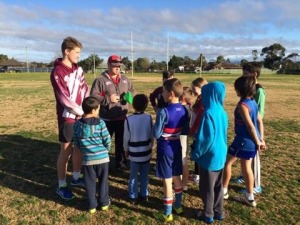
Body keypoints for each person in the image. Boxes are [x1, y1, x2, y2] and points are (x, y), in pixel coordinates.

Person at [50, 37, 89, 200]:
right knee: (65, 152)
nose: (79, 56)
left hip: (81, 115)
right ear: (67, 51)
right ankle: (61, 185)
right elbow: (64, 98)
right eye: (77, 52)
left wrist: (87, 108)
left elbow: (85, 89)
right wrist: (80, 111)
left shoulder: (78, 70)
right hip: (68, 118)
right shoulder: (57, 72)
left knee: (79, 147)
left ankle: (76, 176)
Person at [223, 76, 266, 207]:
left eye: (235, 87)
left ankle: (223, 191)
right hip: (252, 141)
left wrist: (259, 141)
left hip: (243, 141)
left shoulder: (243, 105)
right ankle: (250, 197)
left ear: (240, 89)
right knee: (247, 168)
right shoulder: (253, 101)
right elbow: (259, 121)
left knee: (227, 163)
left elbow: (250, 126)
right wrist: (261, 139)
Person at [191, 81, 228, 224]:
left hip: (209, 156)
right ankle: (219, 211)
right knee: (218, 185)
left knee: (207, 187)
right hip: (221, 154)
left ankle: (208, 214)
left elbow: (205, 138)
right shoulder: (222, 112)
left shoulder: (208, 113)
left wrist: (196, 153)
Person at [153, 78, 189, 222]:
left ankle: (167, 213)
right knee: (176, 177)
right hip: (177, 146)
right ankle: (178, 206)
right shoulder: (185, 110)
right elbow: (185, 130)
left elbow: (156, 134)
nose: (161, 93)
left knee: (167, 181)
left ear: (171, 93)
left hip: (165, 147)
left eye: (163, 91)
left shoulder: (163, 111)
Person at [90, 55, 134, 171]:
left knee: (121, 143)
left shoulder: (125, 79)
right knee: (104, 143)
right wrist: (108, 99)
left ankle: (121, 164)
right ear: (108, 65)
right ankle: (101, 164)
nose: (117, 68)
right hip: (107, 119)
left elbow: (131, 90)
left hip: (122, 117)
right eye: (115, 66)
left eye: (119, 66)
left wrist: (128, 97)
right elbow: (93, 96)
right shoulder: (100, 80)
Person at [73, 96, 111, 214]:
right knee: (103, 181)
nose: (99, 111)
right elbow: (107, 139)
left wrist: (83, 149)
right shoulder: (101, 123)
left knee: (89, 183)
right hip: (103, 159)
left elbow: (76, 141)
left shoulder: (78, 124)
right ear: (94, 110)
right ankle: (104, 203)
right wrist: (106, 149)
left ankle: (91, 206)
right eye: (98, 109)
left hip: (88, 160)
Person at [232, 62, 265, 194]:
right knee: (246, 161)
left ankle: (256, 185)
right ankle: (244, 177)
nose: (243, 77)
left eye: (245, 74)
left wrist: (259, 138)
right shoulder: (248, 92)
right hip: (247, 130)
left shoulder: (259, 91)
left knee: (253, 159)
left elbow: (258, 115)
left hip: (252, 131)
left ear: (254, 75)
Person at [123, 94, 153, 204]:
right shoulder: (149, 117)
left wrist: (126, 149)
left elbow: (126, 137)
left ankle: (133, 196)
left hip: (134, 153)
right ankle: (144, 194)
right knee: (145, 175)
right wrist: (151, 147)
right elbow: (151, 135)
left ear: (133, 105)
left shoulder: (128, 119)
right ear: (146, 105)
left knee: (133, 176)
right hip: (146, 152)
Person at [189, 77, 208, 183]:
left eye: (194, 88)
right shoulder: (201, 98)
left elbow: (199, 118)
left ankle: (198, 175)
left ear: (202, 88)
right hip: (197, 130)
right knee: (197, 151)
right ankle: (198, 173)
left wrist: (192, 130)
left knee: (198, 152)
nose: (192, 90)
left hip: (199, 131)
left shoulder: (203, 100)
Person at [179, 87, 193, 192]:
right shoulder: (189, 108)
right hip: (185, 135)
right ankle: (184, 184)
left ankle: (181, 184)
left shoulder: (181, 109)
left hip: (181, 136)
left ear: (182, 98)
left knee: (181, 160)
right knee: (184, 160)